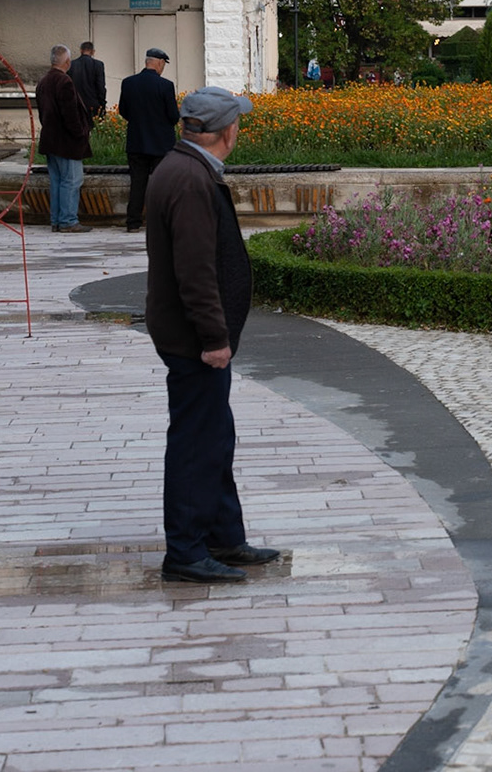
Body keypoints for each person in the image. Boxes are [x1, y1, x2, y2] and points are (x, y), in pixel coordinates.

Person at [146, 86, 280, 584]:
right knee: (196, 442)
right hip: (192, 339)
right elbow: (195, 271)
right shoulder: (189, 179)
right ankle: (184, 551)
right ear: (227, 131)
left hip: (189, 333)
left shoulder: (184, 168)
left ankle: (223, 535)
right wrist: (213, 338)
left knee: (215, 435)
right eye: (238, 123)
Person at [117, 47, 180, 234]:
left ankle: (133, 222)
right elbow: (173, 116)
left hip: (136, 142)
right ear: (159, 63)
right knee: (162, 184)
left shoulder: (128, 83)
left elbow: (123, 110)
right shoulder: (166, 86)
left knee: (137, 183)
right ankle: (160, 222)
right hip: (161, 145)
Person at [34, 44, 93, 233]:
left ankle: (56, 220)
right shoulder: (64, 82)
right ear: (67, 62)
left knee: (57, 181)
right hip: (67, 141)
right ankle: (68, 220)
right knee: (72, 181)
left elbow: (43, 112)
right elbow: (70, 115)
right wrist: (81, 133)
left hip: (50, 139)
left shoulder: (43, 81)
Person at [69, 41, 107, 119]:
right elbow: (101, 86)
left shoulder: (71, 65)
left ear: (81, 50)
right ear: (93, 52)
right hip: (93, 105)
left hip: (76, 105)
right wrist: (102, 103)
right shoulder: (98, 65)